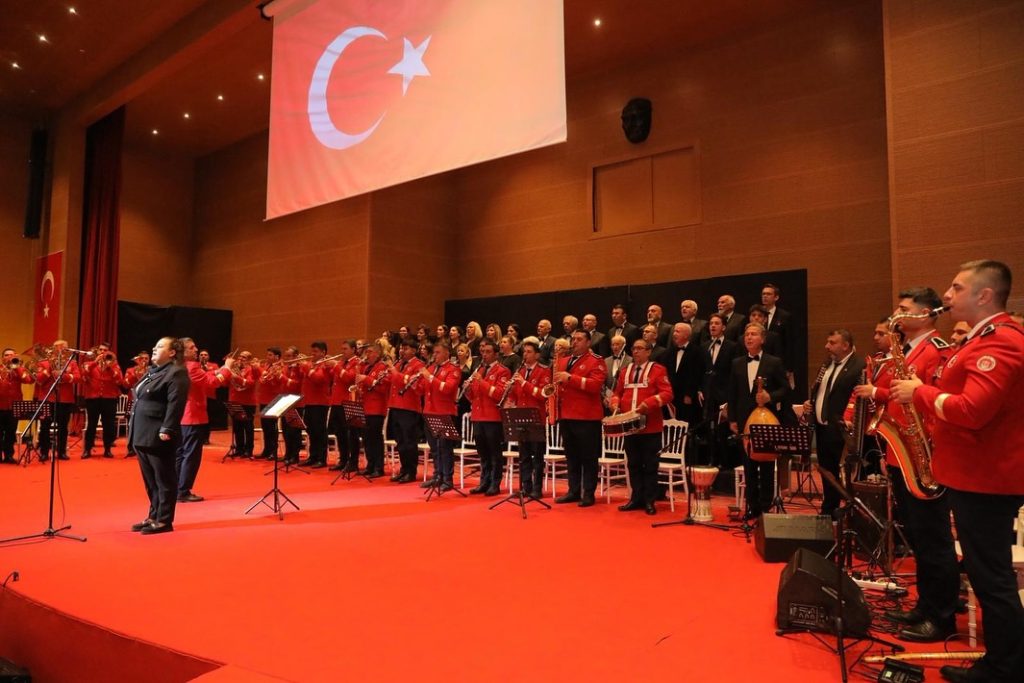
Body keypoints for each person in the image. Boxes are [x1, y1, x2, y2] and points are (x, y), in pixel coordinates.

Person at [892, 260, 1024, 683]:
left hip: (987, 477)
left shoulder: (999, 342)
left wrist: (920, 392)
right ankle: (1003, 661)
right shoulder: (984, 338)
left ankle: (1004, 668)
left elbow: (971, 410)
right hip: (975, 472)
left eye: (956, 287)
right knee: (987, 576)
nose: (947, 296)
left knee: (991, 579)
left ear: (984, 295)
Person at [865, 289, 960, 644]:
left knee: (934, 541)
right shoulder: (907, 349)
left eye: (904, 308)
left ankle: (942, 616)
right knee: (919, 539)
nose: (897, 313)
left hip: (925, 457)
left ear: (926, 313)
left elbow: (938, 401)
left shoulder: (937, 350)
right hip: (903, 453)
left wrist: (926, 448)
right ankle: (925, 606)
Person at [128, 337, 190, 535]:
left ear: (172, 352)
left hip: (158, 433)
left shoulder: (177, 372)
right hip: (142, 432)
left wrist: (168, 428)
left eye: (160, 346)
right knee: (151, 481)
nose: (154, 349)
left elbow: (176, 403)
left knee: (164, 479)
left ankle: (164, 520)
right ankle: (154, 515)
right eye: (154, 346)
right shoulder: (153, 371)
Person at [802, 330, 865, 518]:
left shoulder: (858, 366)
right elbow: (821, 391)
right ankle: (829, 510)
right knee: (827, 471)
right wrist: (811, 403)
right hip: (822, 428)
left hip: (842, 431)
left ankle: (849, 511)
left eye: (832, 342)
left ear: (845, 345)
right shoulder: (827, 363)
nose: (826, 346)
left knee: (844, 474)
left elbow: (858, 397)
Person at [728, 323, 787, 519]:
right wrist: (732, 419)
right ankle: (752, 508)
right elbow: (732, 394)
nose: (749, 337)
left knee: (767, 466)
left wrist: (771, 396)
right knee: (749, 466)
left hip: (766, 421)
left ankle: (765, 509)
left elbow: (785, 389)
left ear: (763, 339)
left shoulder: (774, 362)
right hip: (744, 421)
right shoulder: (737, 363)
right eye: (747, 334)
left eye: (753, 334)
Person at [608, 339, 673, 515]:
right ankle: (636, 498)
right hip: (629, 428)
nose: (635, 351)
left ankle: (650, 500)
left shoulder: (658, 370)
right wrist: (615, 403)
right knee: (634, 464)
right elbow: (617, 393)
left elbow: (667, 394)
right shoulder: (625, 371)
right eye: (633, 348)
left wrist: (649, 403)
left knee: (650, 465)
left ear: (649, 351)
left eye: (639, 348)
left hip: (651, 427)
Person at [554, 330, 607, 507]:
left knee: (588, 457)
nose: (574, 342)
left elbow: (595, 385)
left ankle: (588, 493)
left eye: (579, 339)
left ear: (588, 342)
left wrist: (570, 378)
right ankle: (573, 491)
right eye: (573, 339)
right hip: (566, 415)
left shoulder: (596, 361)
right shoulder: (564, 361)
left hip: (586, 417)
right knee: (572, 456)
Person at [177, 338, 233, 502]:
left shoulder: (179, 365)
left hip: (181, 415)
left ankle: (176, 488)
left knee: (180, 454)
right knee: (191, 456)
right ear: (183, 351)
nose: (196, 350)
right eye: (192, 348)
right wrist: (227, 368)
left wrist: (218, 370)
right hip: (193, 416)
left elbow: (204, 376)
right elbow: (212, 382)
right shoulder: (192, 366)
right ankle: (183, 490)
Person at [466, 340, 511, 495]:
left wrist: (481, 381)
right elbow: (474, 397)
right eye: (483, 352)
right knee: (483, 453)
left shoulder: (503, 371)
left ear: (496, 354)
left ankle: (495, 483)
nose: (484, 355)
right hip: (478, 416)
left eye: (488, 352)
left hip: (493, 418)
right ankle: (484, 482)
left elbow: (499, 395)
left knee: (495, 453)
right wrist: (467, 389)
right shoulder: (479, 369)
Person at [510, 338, 550, 498]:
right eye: (524, 352)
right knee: (524, 456)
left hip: (536, 418)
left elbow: (542, 395)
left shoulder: (544, 371)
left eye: (529, 352)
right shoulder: (520, 371)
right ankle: (525, 487)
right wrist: (510, 389)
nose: (525, 355)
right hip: (521, 417)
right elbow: (516, 396)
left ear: (537, 355)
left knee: (537, 456)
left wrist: (524, 383)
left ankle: (537, 489)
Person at [419, 342, 462, 490]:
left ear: (446, 353)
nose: (434, 355)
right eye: (434, 352)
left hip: (444, 413)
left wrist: (430, 377)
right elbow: (422, 390)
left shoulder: (453, 369)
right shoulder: (431, 368)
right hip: (429, 412)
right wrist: (416, 383)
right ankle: (437, 476)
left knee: (445, 447)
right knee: (434, 448)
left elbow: (448, 388)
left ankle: (447, 479)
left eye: (438, 352)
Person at [700, 314, 738, 468]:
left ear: (724, 327)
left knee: (723, 429)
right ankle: (712, 459)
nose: (713, 326)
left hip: (724, 393)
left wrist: (730, 395)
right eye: (711, 323)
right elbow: (701, 370)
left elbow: (734, 372)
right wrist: (700, 389)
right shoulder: (704, 346)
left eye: (716, 323)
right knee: (709, 429)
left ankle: (725, 461)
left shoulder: (732, 346)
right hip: (708, 393)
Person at [33, 340, 81, 462]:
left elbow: (77, 377)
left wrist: (64, 376)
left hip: (65, 399)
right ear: (53, 349)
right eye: (59, 348)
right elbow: (38, 379)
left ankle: (61, 452)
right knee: (45, 427)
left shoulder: (72, 363)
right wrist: (49, 369)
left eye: (64, 348)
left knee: (63, 427)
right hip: (47, 398)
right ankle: (44, 452)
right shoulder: (43, 363)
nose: (61, 350)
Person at [386, 339, 425, 482]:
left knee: (409, 441)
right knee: (400, 441)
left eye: (406, 348)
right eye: (401, 348)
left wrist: (395, 372)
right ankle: (404, 469)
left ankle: (411, 471)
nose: (402, 351)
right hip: (395, 405)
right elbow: (392, 381)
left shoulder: (418, 365)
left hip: (409, 408)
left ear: (414, 350)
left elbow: (416, 384)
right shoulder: (399, 363)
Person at [80, 342, 123, 458]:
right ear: (97, 351)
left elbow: (120, 381)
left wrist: (110, 367)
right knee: (91, 425)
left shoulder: (114, 365)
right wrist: (95, 362)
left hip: (109, 399)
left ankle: (107, 449)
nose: (103, 352)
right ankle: (87, 449)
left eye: (105, 350)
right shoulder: (88, 364)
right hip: (93, 399)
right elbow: (83, 375)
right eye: (101, 350)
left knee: (108, 425)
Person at [355, 342, 390, 478]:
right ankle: (370, 465)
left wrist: (366, 379)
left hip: (376, 408)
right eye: (366, 352)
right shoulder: (366, 367)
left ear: (377, 353)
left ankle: (378, 467)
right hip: (365, 407)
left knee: (375, 438)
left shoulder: (382, 367)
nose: (367, 355)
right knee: (367, 438)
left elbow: (383, 387)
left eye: (370, 352)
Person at [659, 322, 704, 426]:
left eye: (677, 331)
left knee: (684, 422)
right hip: (670, 395)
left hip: (685, 396)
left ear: (686, 335)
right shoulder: (667, 353)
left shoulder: (697, 352)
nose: (674, 334)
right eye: (674, 331)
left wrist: (689, 394)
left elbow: (696, 375)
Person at [299, 341, 332, 468]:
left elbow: (319, 379)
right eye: (312, 351)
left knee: (319, 431)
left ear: (323, 352)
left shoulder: (325, 365)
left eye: (316, 351)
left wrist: (307, 368)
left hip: (320, 402)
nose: (312, 354)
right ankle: (313, 456)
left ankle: (321, 458)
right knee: (311, 430)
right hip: (309, 401)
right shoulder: (311, 364)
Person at [1, 348, 33, 463]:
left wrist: (17, 367)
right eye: (7, 355)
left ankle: (9, 455)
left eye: (12, 355)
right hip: (1, 405)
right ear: (2, 358)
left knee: (11, 432)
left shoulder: (20, 369)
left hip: (14, 405)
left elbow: (28, 380)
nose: (10, 357)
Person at [226, 351, 258, 458]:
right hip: (235, 400)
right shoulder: (234, 368)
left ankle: (248, 450)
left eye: (244, 357)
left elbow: (250, 383)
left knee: (248, 427)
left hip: (248, 402)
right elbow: (226, 383)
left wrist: (236, 377)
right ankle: (239, 449)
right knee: (237, 426)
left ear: (249, 360)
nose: (240, 358)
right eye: (240, 356)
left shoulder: (251, 369)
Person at [254, 347, 284, 461]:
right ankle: (267, 450)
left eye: (270, 355)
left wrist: (260, 370)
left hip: (273, 399)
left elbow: (275, 382)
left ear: (277, 357)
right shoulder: (266, 366)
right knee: (265, 427)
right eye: (267, 355)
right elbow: (262, 379)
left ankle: (273, 451)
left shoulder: (280, 367)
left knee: (272, 427)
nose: (267, 357)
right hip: (264, 399)